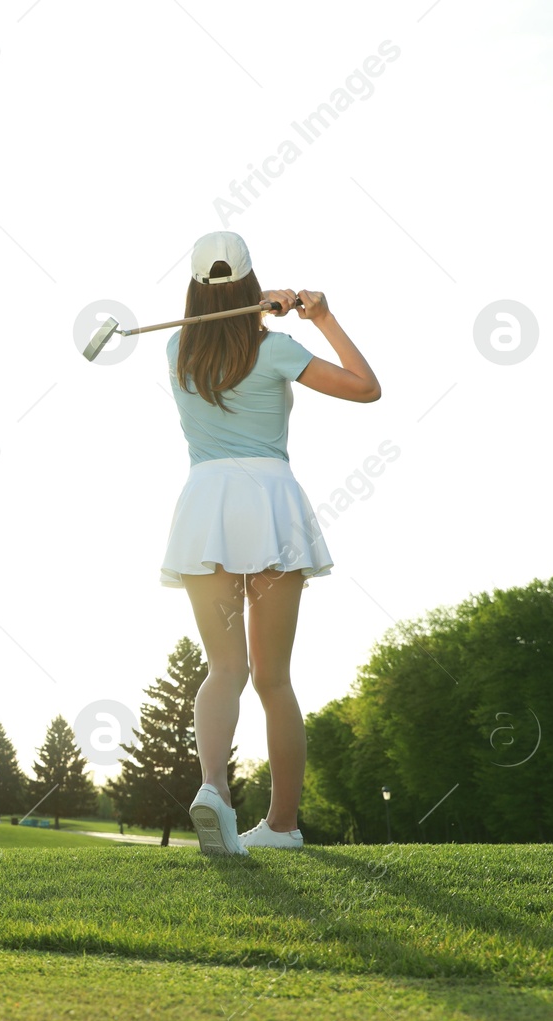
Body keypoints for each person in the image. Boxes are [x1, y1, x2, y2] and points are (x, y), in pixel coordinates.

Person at [162, 231, 381, 857]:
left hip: (206, 504)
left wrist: (256, 312)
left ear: (196, 290)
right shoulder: (280, 349)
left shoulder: (177, 349)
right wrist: (321, 316)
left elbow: (220, 334)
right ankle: (282, 826)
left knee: (223, 668)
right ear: (254, 284)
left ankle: (212, 790)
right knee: (273, 678)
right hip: (269, 500)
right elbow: (366, 387)